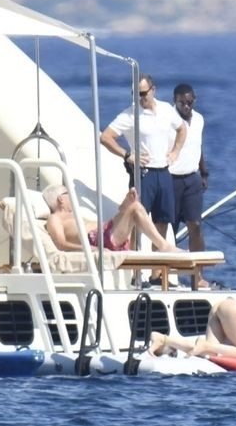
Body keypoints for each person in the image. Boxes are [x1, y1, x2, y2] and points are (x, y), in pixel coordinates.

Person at [99, 74, 187, 232]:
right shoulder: (129, 115)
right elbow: (105, 137)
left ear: (153, 90)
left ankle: (158, 249)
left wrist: (175, 152)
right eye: (135, 94)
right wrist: (127, 155)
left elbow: (182, 129)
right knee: (136, 220)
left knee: (163, 220)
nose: (139, 98)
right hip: (143, 174)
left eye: (143, 93)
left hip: (163, 171)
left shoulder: (166, 109)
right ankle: (134, 248)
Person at [40, 183, 176, 253]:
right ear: (60, 199)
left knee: (134, 207)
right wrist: (89, 249)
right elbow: (61, 244)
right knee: (135, 207)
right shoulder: (54, 218)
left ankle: (126, 206)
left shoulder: (73, 216)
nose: (72, 196)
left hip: (105, 234)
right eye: (68, 193)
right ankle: (163, 246)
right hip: (97, 240)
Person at [169, 83, 212, 282]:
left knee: (195, 225)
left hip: (192, 179)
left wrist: (204, 173)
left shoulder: (199, 119)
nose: (186, 106)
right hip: (171, 179)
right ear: (175, 101)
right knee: (169, 228)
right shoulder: (168, 119)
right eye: (182, 103)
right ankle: (164, 274)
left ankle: (198, 275)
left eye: (190, 102)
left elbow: (198, 146)